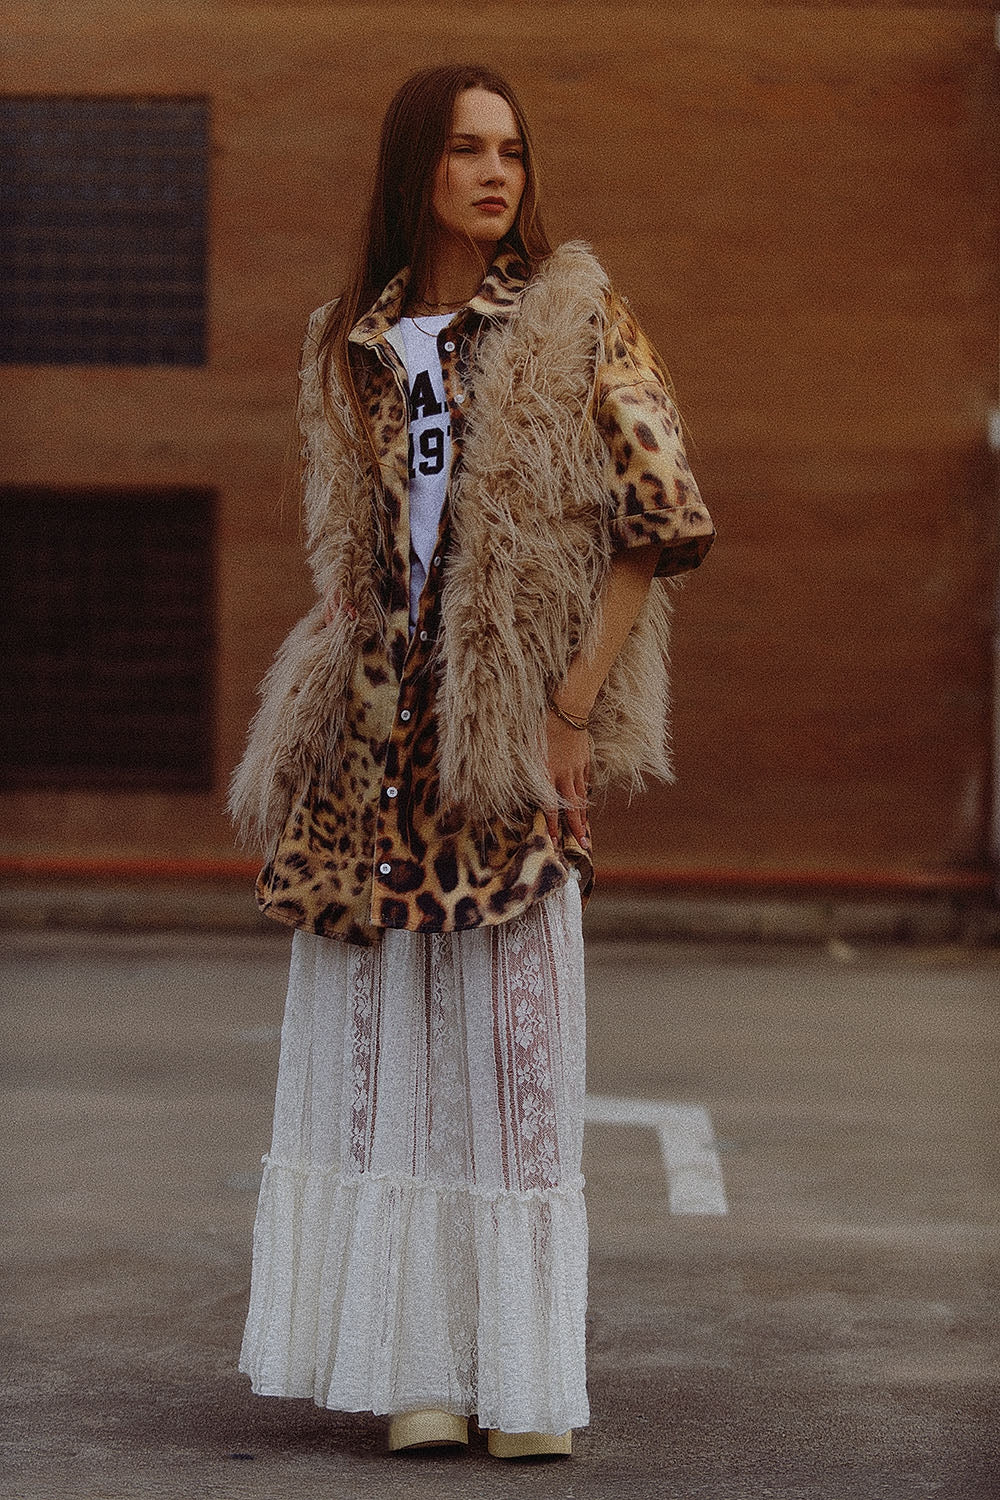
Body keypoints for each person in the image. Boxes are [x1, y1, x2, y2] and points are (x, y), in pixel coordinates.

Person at [230, 62, 714, 1461]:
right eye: (466, 150)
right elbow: (348, 544)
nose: (497, 174)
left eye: (511, 150)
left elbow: (660, 519)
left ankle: (522, 1385)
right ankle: (418, 1373)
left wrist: (569, 704)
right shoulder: (354, 340)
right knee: (396, 1067)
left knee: (514, 1060)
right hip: (376, 750)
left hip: (504, 743)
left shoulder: (574, 318)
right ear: (415, 171)